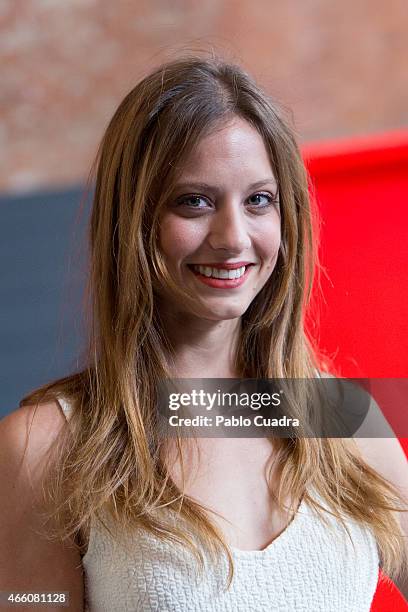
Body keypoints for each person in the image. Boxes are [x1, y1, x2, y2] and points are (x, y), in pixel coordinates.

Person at [1, 55, 407, 611]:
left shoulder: (342, 415)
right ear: (133, 218)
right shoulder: (46, 446)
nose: (233, 237)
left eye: (258, 201)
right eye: (194, 201)